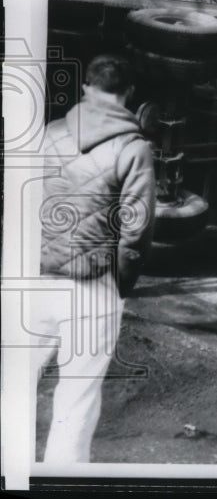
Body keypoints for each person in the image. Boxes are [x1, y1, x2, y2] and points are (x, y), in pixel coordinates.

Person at [34, 54, 157, 462]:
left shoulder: (48, 134)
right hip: (93, 287)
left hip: (32, 280)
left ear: (85, 87)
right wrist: (120, 286)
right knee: (77, 399)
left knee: (12, 386)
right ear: (130, 94)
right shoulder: (134, 148)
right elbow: (136, 231)